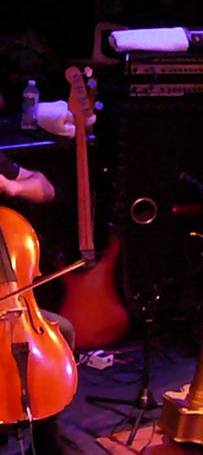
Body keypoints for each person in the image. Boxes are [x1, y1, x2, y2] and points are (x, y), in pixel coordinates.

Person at [0, 149, 75, 453]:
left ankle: (45, 434)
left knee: (63, 330)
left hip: (13, 303)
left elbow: (45, 188)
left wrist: (11, 186)